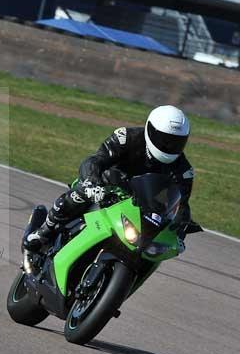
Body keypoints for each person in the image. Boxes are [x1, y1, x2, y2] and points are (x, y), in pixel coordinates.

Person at [24, 105, 195, 257]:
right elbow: (95, 160)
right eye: (164, 140)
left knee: (156, 247)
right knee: (80, 193)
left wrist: (181, 229)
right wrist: (92, 181)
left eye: (176, 143)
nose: (169, 147)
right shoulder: (126, 137)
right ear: (150, 130)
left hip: (142, 208)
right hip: (106, 188)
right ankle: (43, 232)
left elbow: (181, 204)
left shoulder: (184, 171)